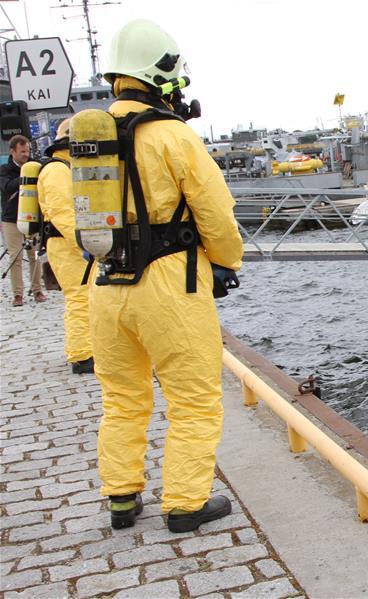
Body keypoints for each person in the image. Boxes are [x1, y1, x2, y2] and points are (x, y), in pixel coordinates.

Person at [88, 19, 243, 532]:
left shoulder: (89, 140)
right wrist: (226, 262)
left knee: (123, 398)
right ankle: (184, 503)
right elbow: (216, 214)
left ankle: (121, 498)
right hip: (168, 282)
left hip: (106, 284)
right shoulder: (173, 136)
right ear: (163, 77)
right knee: (194, 396)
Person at [36, 119, 94, 374]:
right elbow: (63, 213)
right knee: (79, 296)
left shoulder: (66, 168)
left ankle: (89, 348)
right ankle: (81, 355)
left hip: (68, 242)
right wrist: (84, 242)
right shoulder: (57, 171)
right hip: (65, 243)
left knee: (87, 296)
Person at [1, 135, 46, 306]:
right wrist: (26, 176)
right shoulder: (5, 170)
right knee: (15, 257)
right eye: (22, 152)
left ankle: (38, 290)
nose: (25, 155)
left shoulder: (35, 165)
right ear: (12, 152)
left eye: (27, 151)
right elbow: (6, 187)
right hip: (12, 218)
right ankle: (17, 294)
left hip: (32, 216)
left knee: (34, 255)